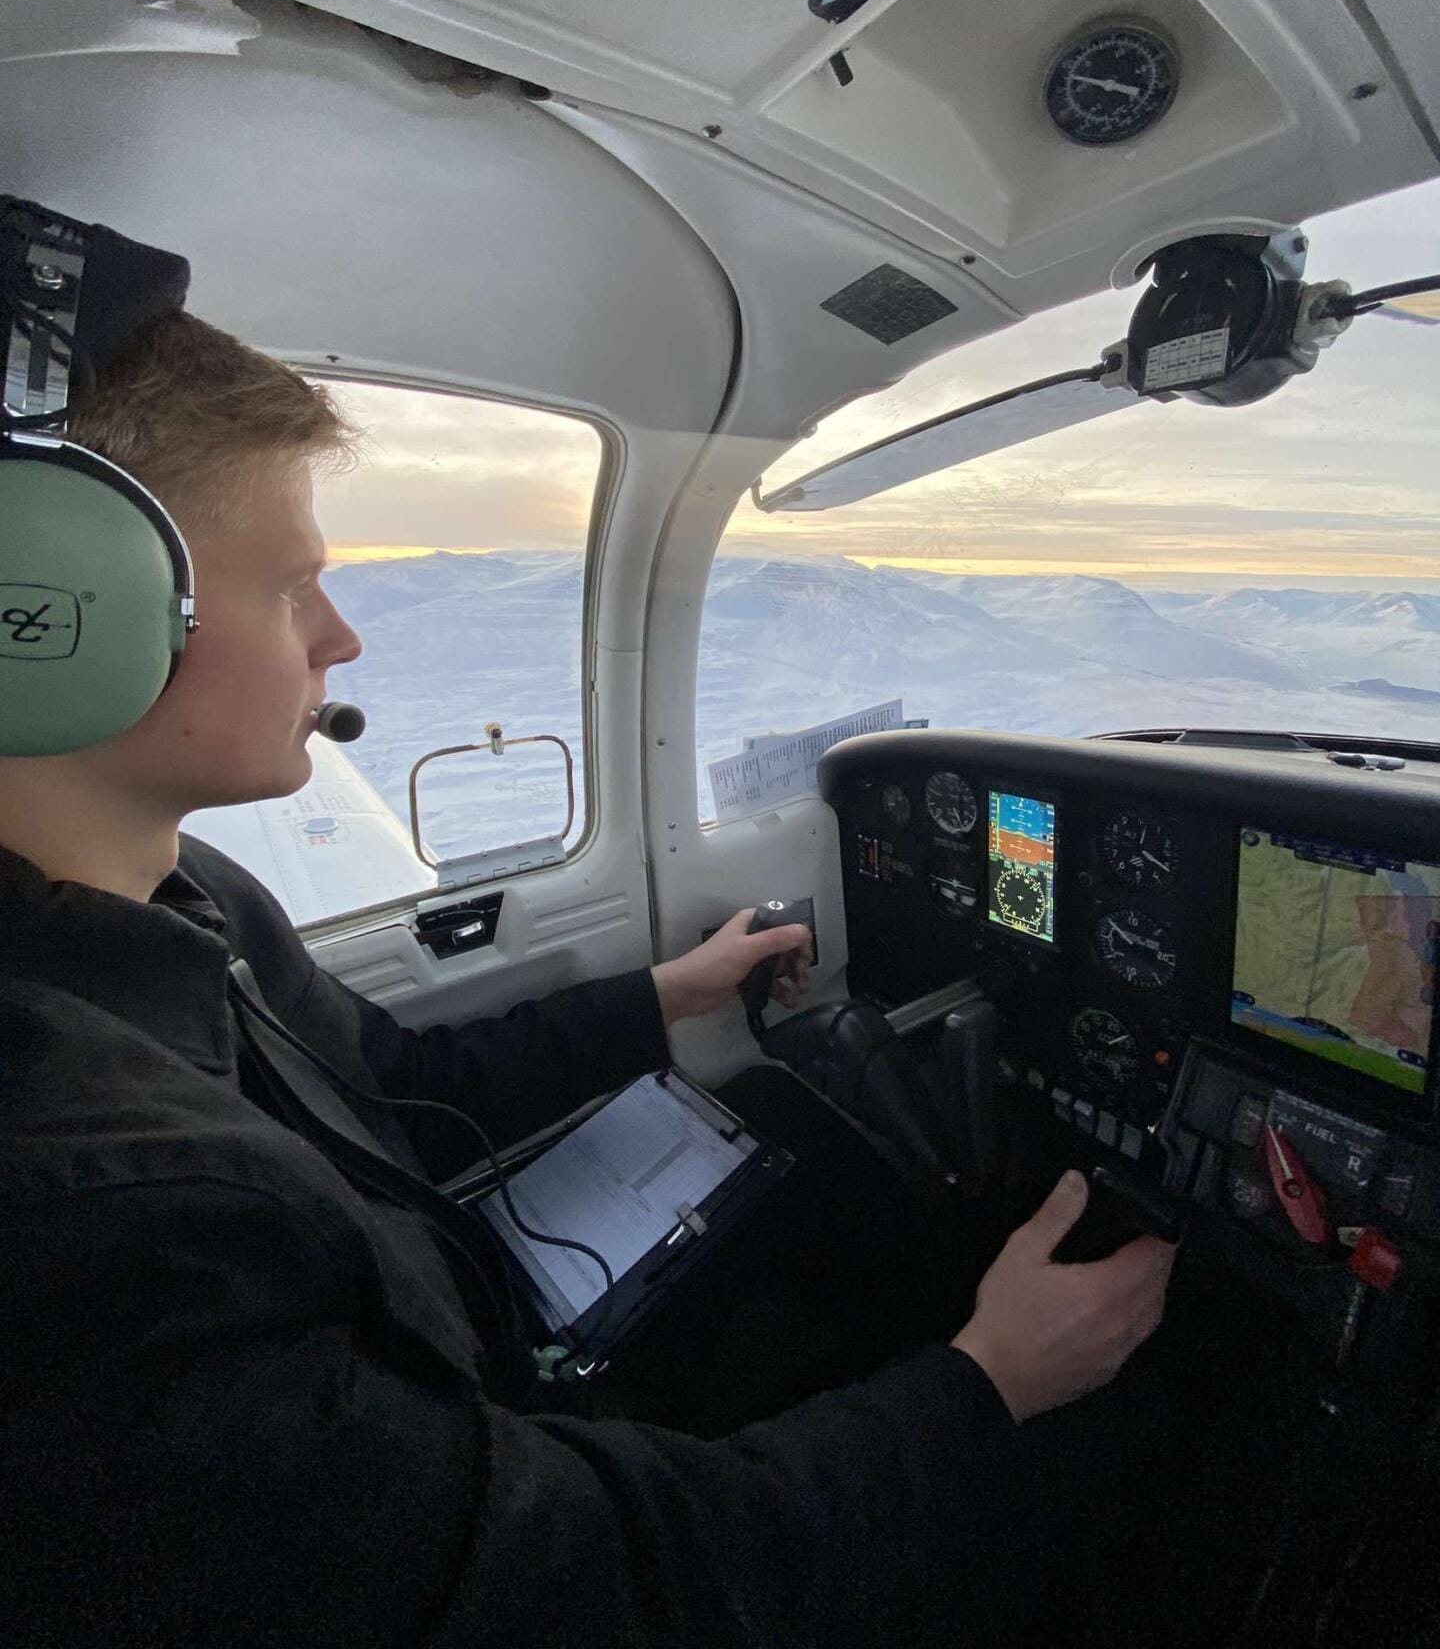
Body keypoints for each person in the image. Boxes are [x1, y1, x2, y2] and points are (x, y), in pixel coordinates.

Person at [0, 309, 1176, 1647]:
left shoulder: (187, 900)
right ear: (52, 623)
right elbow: (573, 1583)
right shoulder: (98, 1215)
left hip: (481, 1379)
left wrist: (667, 994)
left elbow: (399, 1086)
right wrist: (989, 1385)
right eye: (288, 588)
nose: (341, 639)